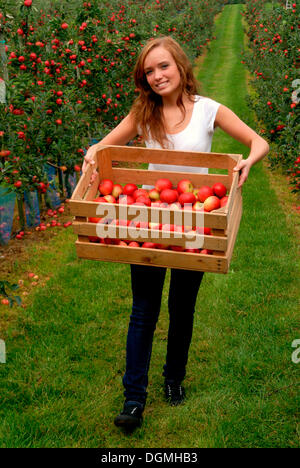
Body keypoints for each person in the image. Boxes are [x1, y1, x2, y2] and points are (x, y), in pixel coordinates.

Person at [83, 36, 269, 430]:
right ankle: (134, 399)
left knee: (182, 307)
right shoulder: (143, 112)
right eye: (149, 71)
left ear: (181, 67)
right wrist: (91, 153)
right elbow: (104, 145)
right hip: (151, 219)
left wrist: (248, 161)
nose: (156, 76)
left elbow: (257, 141)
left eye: (163, 66)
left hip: (197, 223)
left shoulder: (208, 110)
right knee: (143, 310)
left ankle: (173, 380)